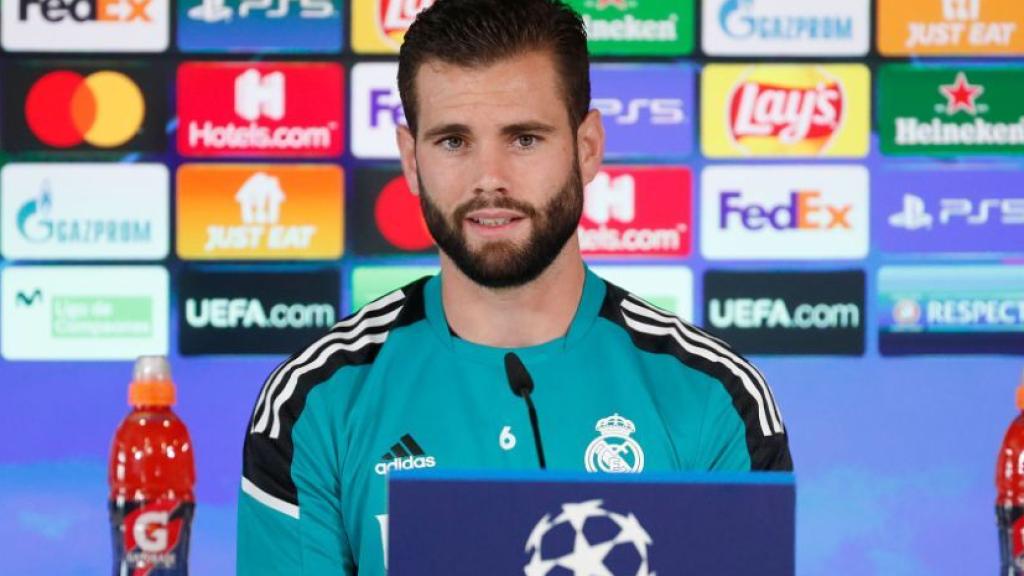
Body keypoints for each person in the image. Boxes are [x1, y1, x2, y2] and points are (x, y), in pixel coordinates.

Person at [236, 0, 792, 573]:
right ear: (410, 158)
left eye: (524, 139)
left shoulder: (715, 397)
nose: (489, 179)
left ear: (588, 147)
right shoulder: (315, 403)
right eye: (454, 141)